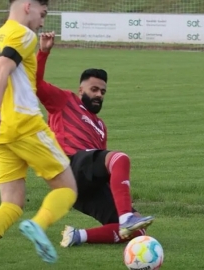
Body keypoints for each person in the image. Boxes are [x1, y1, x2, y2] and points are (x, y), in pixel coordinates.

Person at [0, 2, 78, 269]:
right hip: (24, 124)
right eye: (42, 14)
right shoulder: (23, 33)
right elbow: (2, 69)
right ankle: (39, 225)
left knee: (11, 204)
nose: (42, 23)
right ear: (28, 6)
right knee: (67, 188)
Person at [35, 32, 154, 247]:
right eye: (94, 89)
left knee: (139, 231)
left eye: (103, 91)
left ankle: (78, 236)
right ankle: (127, 218)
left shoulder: (100, 127)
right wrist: (43, 52)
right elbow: (34, 83)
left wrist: (122, 202)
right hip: (69, 166)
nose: (99, 94)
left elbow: (103, 169)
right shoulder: (65, 100)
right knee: (120, 159)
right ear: (81, 90)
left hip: (83, 186)